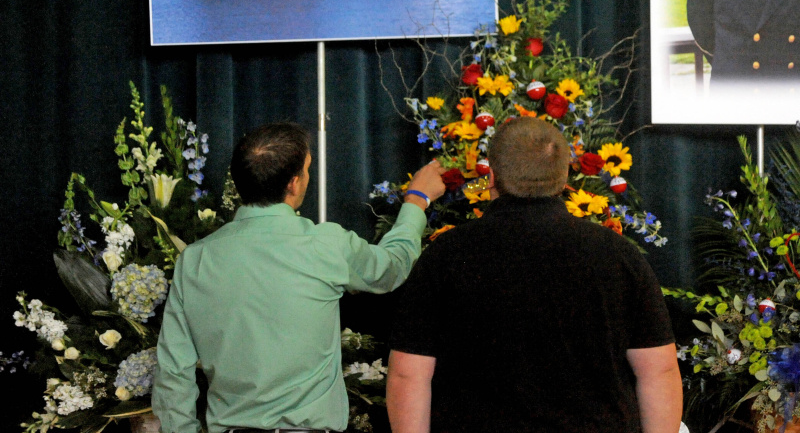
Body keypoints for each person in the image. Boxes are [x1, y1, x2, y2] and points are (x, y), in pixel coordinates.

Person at [386, 117, 682, 432]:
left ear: (492, 176)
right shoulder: (619, 256)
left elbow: (408, 375)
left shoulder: (445, 255)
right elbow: (658, 373)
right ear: (565, 175)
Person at [152, 122, 445, 433]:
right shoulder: (326, 245)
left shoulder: (195, 260)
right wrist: (416, 201)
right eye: (307, 169)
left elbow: (173, 372)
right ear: (293, 184)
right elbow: (393, 267)